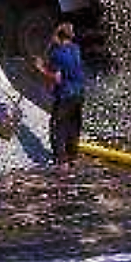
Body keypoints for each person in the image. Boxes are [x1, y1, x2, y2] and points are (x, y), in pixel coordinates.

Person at [34, 22, 85, 165]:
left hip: (66, 94)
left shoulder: (58, 53)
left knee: (58, 126)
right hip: (79, 93)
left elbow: (57, 78)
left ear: (59, 36)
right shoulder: (76, 49)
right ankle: (72, 155)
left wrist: (41, 69)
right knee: (73, 125)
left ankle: (60, 159)